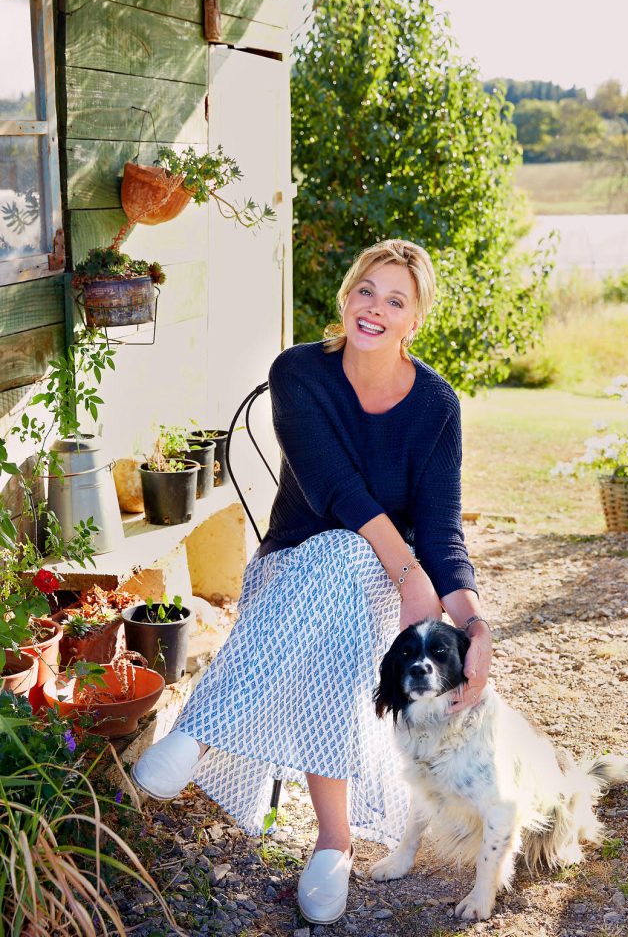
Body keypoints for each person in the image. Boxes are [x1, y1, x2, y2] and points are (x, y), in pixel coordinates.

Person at [132, 239, 492, 925]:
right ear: (346, 296)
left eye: (396, 300)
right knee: (328, 560)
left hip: (378, 584)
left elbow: (442, 530)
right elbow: (334, 490)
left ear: (416, 319)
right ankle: (334, 840)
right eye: (366, 290)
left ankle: (198, 731)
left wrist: (474, 623)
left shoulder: (436, 405)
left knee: (340, 575)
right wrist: (409, 568)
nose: (375, 309)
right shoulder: (298, 373)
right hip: (286, 571)